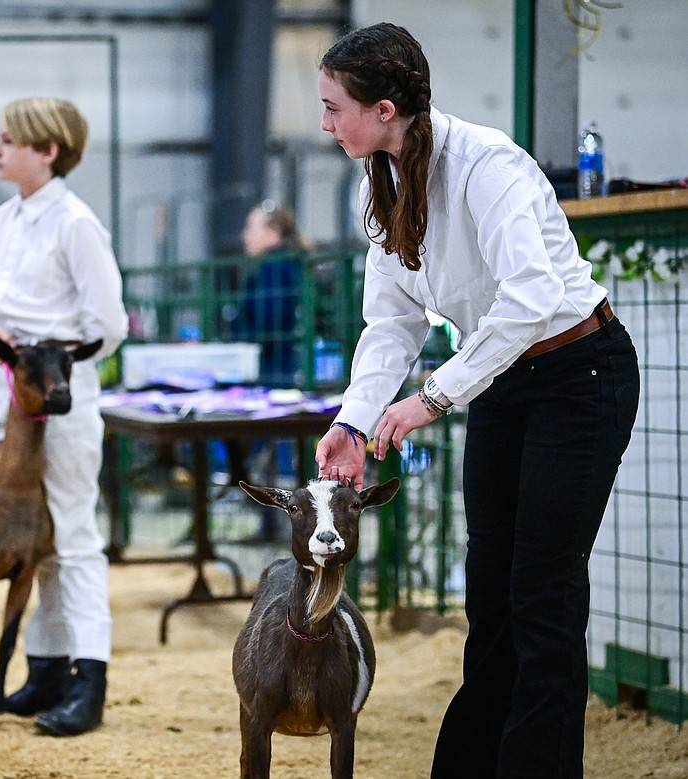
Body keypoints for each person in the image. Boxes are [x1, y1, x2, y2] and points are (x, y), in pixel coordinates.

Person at [313, 23, 640, 778]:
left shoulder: (487, 165)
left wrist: (433, 396)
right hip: (502, 380)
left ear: (386, 109)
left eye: (335, 108)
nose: (326, 122)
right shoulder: (383, 183)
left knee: (543, 595)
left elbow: (532, 299)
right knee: (491, 593)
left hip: (578, 374)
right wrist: (354, 422)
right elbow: (390, 321)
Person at [0, 97, 128, 737]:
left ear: (48, 151)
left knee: (73, 532)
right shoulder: (2, 219)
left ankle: (91, 678)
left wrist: (46, 358)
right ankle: (45, 668)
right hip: (10, 398)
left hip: (59, 396)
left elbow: (108, 327)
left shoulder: (76, 224)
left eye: (9, 141)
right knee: (27, 535)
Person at [228, 202, 306, 544]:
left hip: (272, 370)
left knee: (265, 449)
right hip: (279, 366)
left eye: (252, 227)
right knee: (269, 452)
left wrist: (243, 343)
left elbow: (267, 319)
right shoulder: (284, 264)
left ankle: (276, 526)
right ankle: (275, 525)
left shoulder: (274, 267)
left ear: (272, 232)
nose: (246, 235)